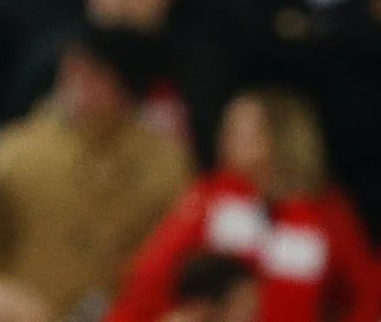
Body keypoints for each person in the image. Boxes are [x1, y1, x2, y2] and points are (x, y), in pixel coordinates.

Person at [0, 23, 192, 319]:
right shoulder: (12, 153)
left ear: (127, 89)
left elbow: (176, 259)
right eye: (70, 71)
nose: (76, 84)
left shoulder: (167, 165)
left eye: (94, 75)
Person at [104, 89, 381, 322]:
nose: (224, 139)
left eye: (239, 131)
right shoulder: (211, 198)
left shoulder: (327, 211)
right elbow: (151, 276)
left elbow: (365, 294)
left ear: (280, 137)